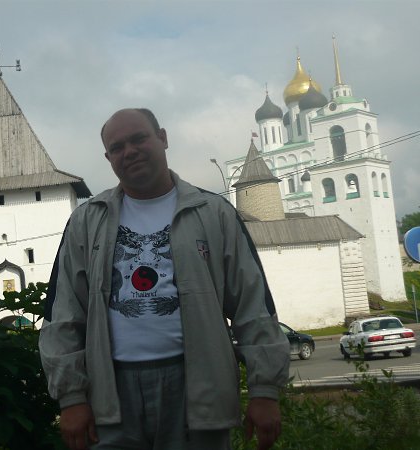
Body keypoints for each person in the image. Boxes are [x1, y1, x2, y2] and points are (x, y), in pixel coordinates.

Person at [39, 108, 290, 450]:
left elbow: (253, 304)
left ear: (163, 138)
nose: (129, 151)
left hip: (197, 389)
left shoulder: (213, 213)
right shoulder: (87, 221)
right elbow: (63, 313)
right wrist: (71, 397)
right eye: (117, 147)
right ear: (108, 158)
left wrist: (264, 390)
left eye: (139, 139)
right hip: (109, 396)